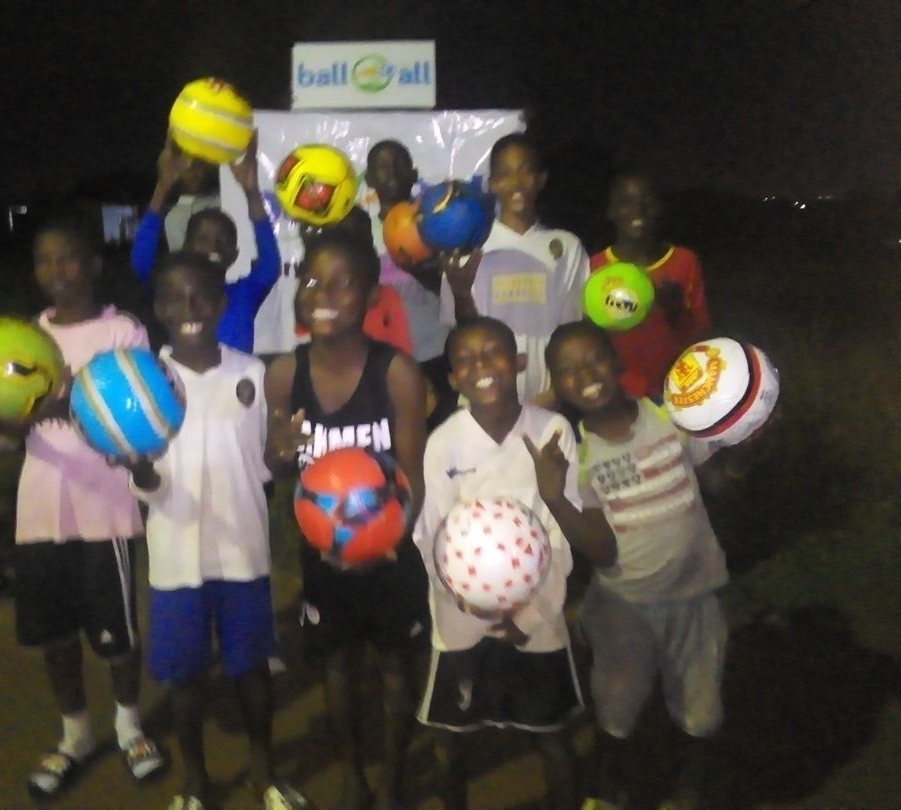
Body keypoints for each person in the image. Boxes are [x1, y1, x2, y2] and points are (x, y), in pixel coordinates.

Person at [126, 252, 309, 810]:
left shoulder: (251, 374)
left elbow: (265, 466)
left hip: (242, 551)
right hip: (175, 555)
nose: (190, 309)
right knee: (184, 677)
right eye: (174, 299)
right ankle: (195, 780)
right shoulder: (143, 382)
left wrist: (282, 457)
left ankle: (263, 771)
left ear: (223, 303)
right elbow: (149, 485)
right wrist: (138, 467)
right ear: (157, 307)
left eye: (202, 296)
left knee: (250, 668)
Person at [413, 316, 617, 810]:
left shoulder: (551, 431)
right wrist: (467, 604)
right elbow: (430, 534)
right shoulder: (443, 442)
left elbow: (559, 532)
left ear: (519, 362)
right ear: (453, 377)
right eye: (466, 360)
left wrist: (529, 613)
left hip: (536, 617)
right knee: (452, 743)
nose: (481, 366)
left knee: (551, 735)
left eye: (493, 352)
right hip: (464, 621)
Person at [264, 231, 429, 810]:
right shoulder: (284, 374)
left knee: (395, 666)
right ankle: (353, 777)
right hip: (323, 556)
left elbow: (414, 475)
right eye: (311, 281)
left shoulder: (397, 373)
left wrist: (386, 540)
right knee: (336, 666)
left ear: (372, 297)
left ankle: (393, 778)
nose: (322, 294)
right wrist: (278, 453)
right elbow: (276, 464)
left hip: (390, 556)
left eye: (342, 284)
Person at [546, 320, 739, 809]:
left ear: (617, 361)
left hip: (696, 596)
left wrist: (742, 445)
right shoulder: (577, 456)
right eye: (568, 370)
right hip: (625, 605)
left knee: (700, 710)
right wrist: (555, 498)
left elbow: (717, 483)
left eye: (594, 359)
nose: (585, 374)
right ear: (558, 386)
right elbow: (602, 552)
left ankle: (689, 792)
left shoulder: (669, 415)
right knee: (617, 707)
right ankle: (610, 790)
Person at [16, 210, 165, 800]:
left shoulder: (122, 332)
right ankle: (74, 735)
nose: (57, 269)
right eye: (44, 260)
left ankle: (129, 727)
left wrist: (68, 407)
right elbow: (9, 421)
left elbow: (141, 416)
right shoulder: (25, 339)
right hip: (40, 506)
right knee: (54, 634)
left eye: (69, 257)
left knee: (117, 632)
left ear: (95, 265)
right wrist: (4, 411)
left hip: (105, 506)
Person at [439, 133, 590, 401]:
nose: (517, 182)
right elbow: (464, 331)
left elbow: (572, 331)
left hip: (547, 398)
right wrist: (460, 293)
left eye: (525, 171)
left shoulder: (566, 246)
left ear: (541, 178)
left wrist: (555, 394)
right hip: (484, 400)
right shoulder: (468, 247)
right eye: (505, 174)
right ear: (493, 184)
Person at [130, 133, 278, 354]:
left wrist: (251, 192)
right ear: (187, 247)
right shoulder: (174, 291)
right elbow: (141, 261)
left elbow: (270, 263)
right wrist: (162, 187)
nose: (214, 247)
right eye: (203, 239)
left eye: (223, 241)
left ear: (234, 255)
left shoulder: (243, 294)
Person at [590, 169, 712, 401]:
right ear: (611, 210)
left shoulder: (684, 261)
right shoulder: (595, 267)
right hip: (619, 394)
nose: (638, 210)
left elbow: (702, 332)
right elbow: (590, 339)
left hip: (678, 387)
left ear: (660, 207)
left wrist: (677, 312)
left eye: (648, 201)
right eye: (626, 202)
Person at [365, 140, 457, 428]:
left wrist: (421, 271)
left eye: (399, 165)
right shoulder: (359, 230)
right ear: (369, 179)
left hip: (435, 354)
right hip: (381, 361)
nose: (392, 173)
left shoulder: (438, 226)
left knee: (438, 440)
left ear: (414, 175)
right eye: (382, 167)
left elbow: (458, 291)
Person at [296, 206, 413, 355]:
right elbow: (304, 333)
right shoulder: (316, 297)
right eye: (341, 237)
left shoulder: (387, 297)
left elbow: (401, 350)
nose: (350, 245)